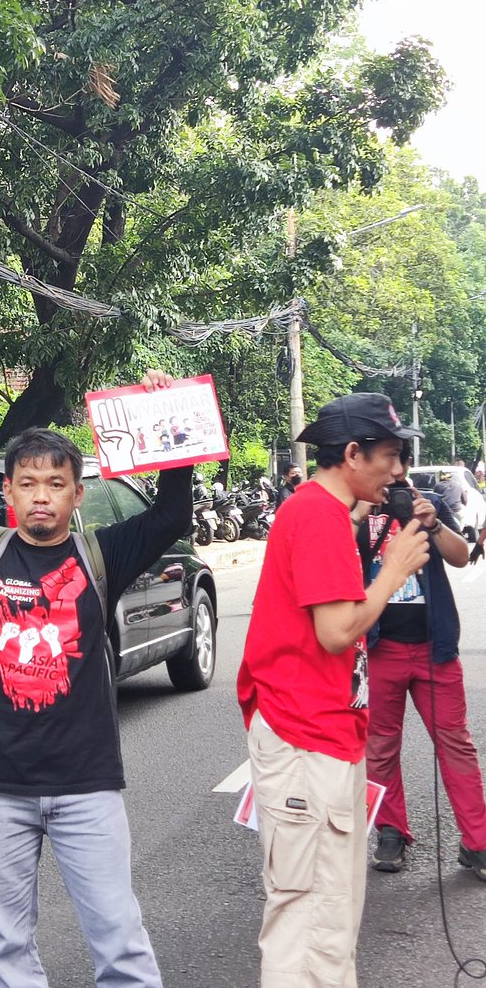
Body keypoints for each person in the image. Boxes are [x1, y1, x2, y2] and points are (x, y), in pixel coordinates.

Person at [0, 370, 192, 988]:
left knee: (120, 942)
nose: (41, 495)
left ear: (78, 495)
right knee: (7, 949)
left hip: (87, 786)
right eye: (29, 484)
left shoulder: (102, 554)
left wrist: (166, 417)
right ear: (9, 493)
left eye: (56, 483)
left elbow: (170, 515)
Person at [237, 393, 430, 988]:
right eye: (391, 456)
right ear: (352, 453)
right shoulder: (318, 516)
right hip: (306, 736)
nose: (398, 472)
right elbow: (336, 630)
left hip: (321, 732)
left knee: (330, 906)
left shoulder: (322, 513)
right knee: (311, 914)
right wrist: (394, 570)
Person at [355, 445, 486, 879]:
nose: (395, 471)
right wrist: (358, 514)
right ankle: (391, 831)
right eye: (388, 461)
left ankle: (477, 840)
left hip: (435, 650)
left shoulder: (423, 501)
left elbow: (461, 555)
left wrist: (429, 522)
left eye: (401, 462)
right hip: (380, 648)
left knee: (456, 746)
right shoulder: (359, 511)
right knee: (381, 747)